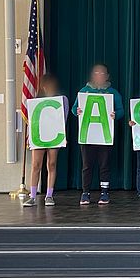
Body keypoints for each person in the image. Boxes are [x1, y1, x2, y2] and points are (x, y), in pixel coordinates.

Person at [71, 63, 124, 206]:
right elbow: (74, 108)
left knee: (104, 164)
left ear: (107, 76)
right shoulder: (84, 91)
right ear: (92, 75)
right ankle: (85, 193)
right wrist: (78, 111)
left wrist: (115, 115)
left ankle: (104, 192)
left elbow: (121, 111)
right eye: (96, 73)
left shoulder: (113, 92)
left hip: (104, 135)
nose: (99, 76)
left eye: (102, 74)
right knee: (87, 165)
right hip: (88, 136)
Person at [23, 74, 67, 207]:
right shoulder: (36, 102)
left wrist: (63, 136)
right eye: (48, 85)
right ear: (43, 86)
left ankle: (49, 195)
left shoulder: (62, 100)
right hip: (39, 137)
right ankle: (33, 196)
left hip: (54, 136)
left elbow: (62, 120)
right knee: (36, 165)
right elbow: (33, 122)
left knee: (51, 164)